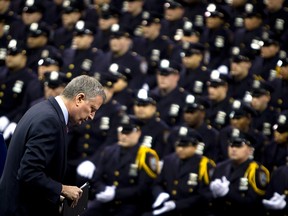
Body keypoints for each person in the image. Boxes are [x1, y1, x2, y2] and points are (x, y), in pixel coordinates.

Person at [0, 75, 106, 216]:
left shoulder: (45, 109)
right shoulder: (49, 121)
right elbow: (29, 172)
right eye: (92, 108)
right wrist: (62, 189)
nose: (92, 116)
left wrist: (55, 193)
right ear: (79, 98)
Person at [83, 114, 159, 216]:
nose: (123, 136)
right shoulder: (109, 151)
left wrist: (116, 194)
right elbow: (97, 178)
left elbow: (143, 188)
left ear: (138, 133)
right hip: (106, 201)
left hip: (130, 204)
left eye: (128, 132)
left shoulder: (146, 155)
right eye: (122, 132)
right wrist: (103, 189)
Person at [147, 126, 215, 216]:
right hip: (167, 209)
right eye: (178, 145)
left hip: (192, 211)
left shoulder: (204, 165)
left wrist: (177, 205)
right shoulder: (168, 160)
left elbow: (204, 195)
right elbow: (157, 183)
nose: (180, 149)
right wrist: (160, 194)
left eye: (185, 146)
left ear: (195, 146)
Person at [209, 129, 270, 216]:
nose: (233, 149)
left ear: (250, 150)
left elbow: (255, 202)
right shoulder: (220, 167)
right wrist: (213, 194)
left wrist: (228, 193)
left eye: (239, 145)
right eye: (231, 144)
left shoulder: (257, 171)